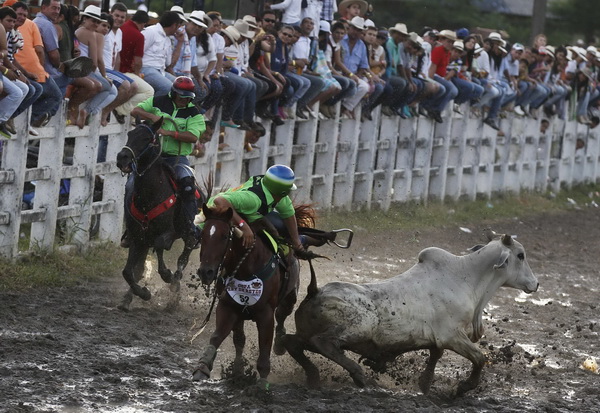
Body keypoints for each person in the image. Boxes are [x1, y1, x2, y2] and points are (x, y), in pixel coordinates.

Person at [127, 76, 206, 248]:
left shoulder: (195, 113)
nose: (184, 100)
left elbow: (193, 136)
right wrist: (154, 118)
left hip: (176, 158)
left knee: (187, 185)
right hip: (153, 156)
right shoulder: (157, 101)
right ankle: (131, 228)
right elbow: (135, 111)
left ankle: (190, 228)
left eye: (187, 97)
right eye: (181, 96)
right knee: (131, 184)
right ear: (174, 93)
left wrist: (170, 133)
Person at [205, 164, 325, 252]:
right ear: (283, 191)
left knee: (281, 227)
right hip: (215, 214)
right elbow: (219, 201)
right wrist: (244, 227)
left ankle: (302, 240)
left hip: (244, 212)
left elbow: (289, 215)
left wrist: (296, 241)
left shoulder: (277, 194)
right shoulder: (252, 200)